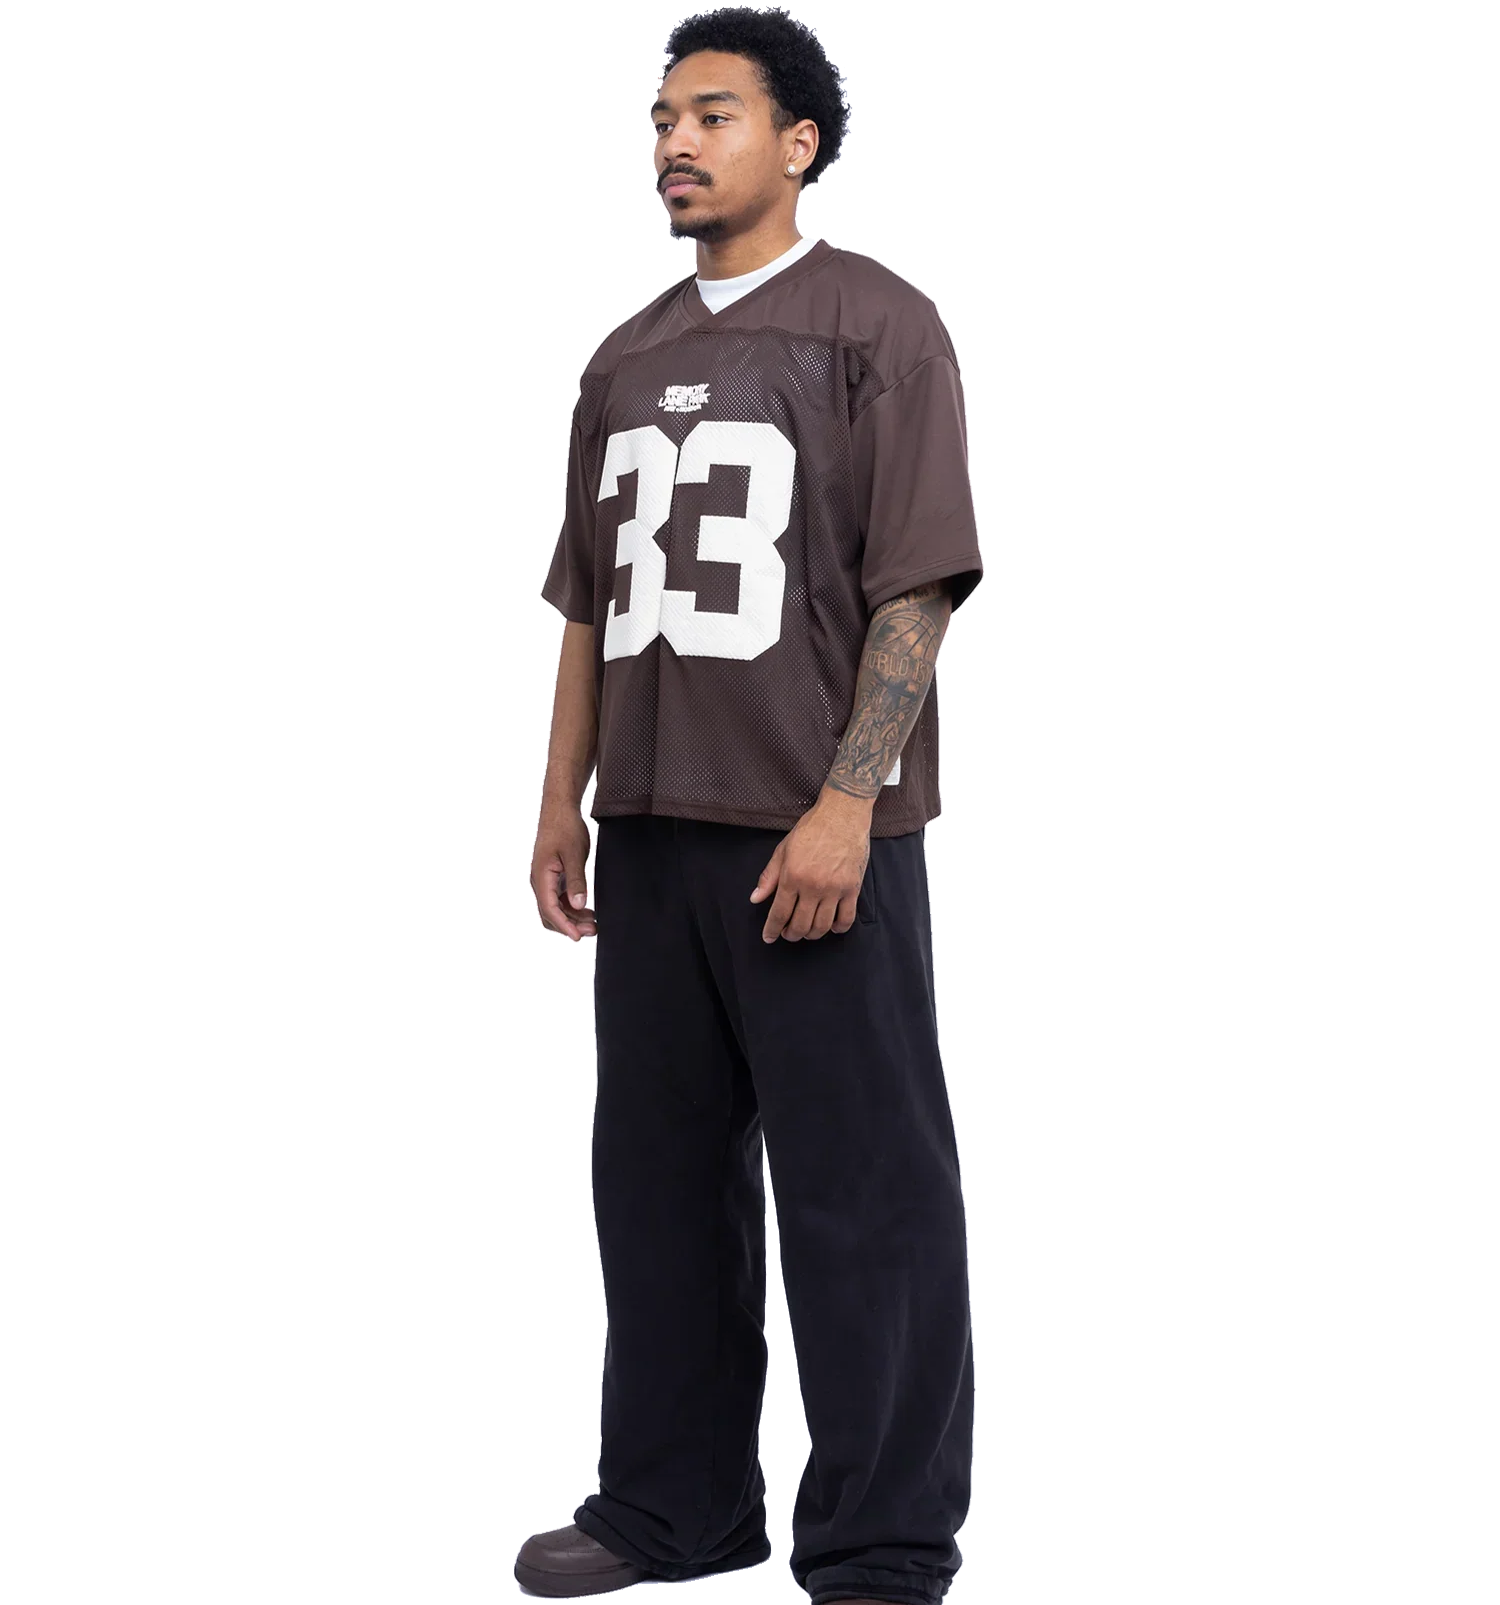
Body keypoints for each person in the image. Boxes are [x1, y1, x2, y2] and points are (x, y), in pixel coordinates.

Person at [518, 9, 980, 1604]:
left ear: (799, 141)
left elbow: (917, 586)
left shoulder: (879, 323)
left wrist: (850, 806)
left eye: (711, 113)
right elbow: (587, 607)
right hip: (649, 834)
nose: (674, 142)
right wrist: (561, 805)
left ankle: (882, 1539)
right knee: (654, 1189)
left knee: (864, 1193)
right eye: (661, 119)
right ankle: (673, 1512)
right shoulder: (620, 356)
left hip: (810, 831)